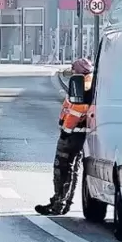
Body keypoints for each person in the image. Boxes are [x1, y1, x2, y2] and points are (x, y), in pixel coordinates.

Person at [35, 58, 94, 216]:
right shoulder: (90, 81)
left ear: (79, 70)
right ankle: (63, 202)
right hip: (80, 134)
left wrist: (66, 130)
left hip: (73, 134)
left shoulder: (82, 84)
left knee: (62, 168)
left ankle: (59, 203)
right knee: (71, 169)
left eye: (74, 70)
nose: (73, 72)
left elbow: (77, 110)